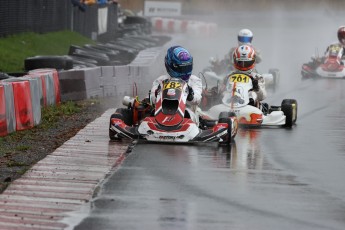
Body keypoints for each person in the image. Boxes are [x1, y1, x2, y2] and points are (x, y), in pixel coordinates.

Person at [150, 46, 202, 124]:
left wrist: (190, 95)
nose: (185, 72)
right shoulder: (160, 81)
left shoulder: (195, 80)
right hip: (161, 114)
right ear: (170, 65)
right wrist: (158, 92)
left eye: (187, 68)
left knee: (188, 113)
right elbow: (153, 100)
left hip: (187, 116)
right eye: (181, 68)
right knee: (150, 113)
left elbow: (197, 99)